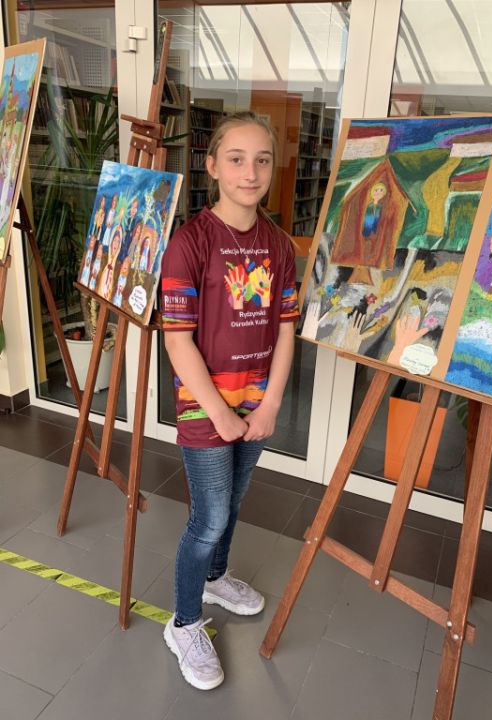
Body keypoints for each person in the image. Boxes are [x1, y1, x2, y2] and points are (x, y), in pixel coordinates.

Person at [160, 111, 299, 691]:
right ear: (212, 165)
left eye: (262, 160)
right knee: (209, 516)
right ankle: (184, 623)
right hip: (206, 409)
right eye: (237, 159)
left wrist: (269, 407)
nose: (250, 172)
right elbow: (178, 339)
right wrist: (219, 412)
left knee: (233, 504)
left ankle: (216, 578)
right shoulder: (190, 243)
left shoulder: (279, 245)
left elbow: (286, 329)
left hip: (254, 406)